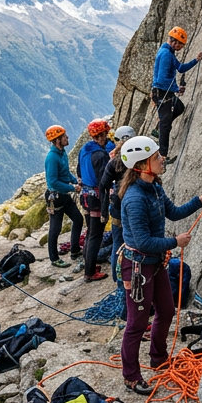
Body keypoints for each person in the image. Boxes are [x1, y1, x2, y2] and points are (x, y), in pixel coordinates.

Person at [117, 136, 202, 394]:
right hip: (138, 266)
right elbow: (142, 241)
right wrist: (174, 241)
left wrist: (201, 199)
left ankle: (158, 358)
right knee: (137, 324)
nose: (162, 159)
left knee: (167, 310)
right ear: (142, 166)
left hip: (154, 264)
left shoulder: (154, 188)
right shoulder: (134, 198)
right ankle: (130, 376)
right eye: (156, 157)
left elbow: (172, 212)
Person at [151, 26, 202, 158]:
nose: (180, 47)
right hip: (162, 93)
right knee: (166, 125)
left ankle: (160, 126)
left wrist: (195, 60)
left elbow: (180, 68)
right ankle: (162, 155)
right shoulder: (166, 55)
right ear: (174, 42)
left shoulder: (168, 53)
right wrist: (176, 88)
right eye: (180, 45)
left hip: (164, 93)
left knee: (179, 107)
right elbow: (162, 79)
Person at [77, 120, 114, 282]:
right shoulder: (101, 155)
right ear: (104, 133)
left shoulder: (85, 149)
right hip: (96, 199)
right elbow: (103, 183)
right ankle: (90, 272)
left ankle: (89, 265)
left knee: (91, 232)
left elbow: (79, 170)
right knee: (96, 236)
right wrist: (105, 211)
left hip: (85, 196)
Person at [44, 125, 83, 267]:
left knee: (78, 219)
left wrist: (75, 180)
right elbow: (53, 182)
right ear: (57, 140)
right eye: (64, 136)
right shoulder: (52, 157)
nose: (67, 138)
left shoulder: (62, 153)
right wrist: (72, 188)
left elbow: (65, 173)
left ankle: (75, 250)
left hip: (63, 195)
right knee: (55, 228)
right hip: (55, 197)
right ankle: (54, 258)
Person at [99, 126, 135, 281]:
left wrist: (103, 211)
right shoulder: (139, 158)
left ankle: (117, 278)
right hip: (135, 207)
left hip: (118, 208)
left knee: (117, 245)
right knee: (134, 244)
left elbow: (104, 184)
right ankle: (133, 276)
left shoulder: (114, 162)